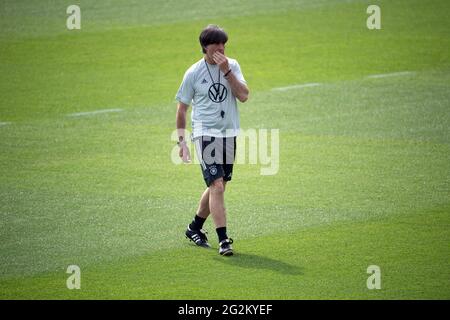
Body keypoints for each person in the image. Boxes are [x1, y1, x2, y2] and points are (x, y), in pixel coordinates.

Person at [175, 25, 249, 256]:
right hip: (205, 134)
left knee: (219, 186)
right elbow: (182, 109)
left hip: (229, 134)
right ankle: (223, 240)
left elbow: (244, 96)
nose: (221, 49)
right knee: (216, 185)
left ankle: (194, 227)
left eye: (224, 45)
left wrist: (227, 71)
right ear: (205, 47)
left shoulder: (232, 65)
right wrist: (182, 142)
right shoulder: (193, 73)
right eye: (216, 45)